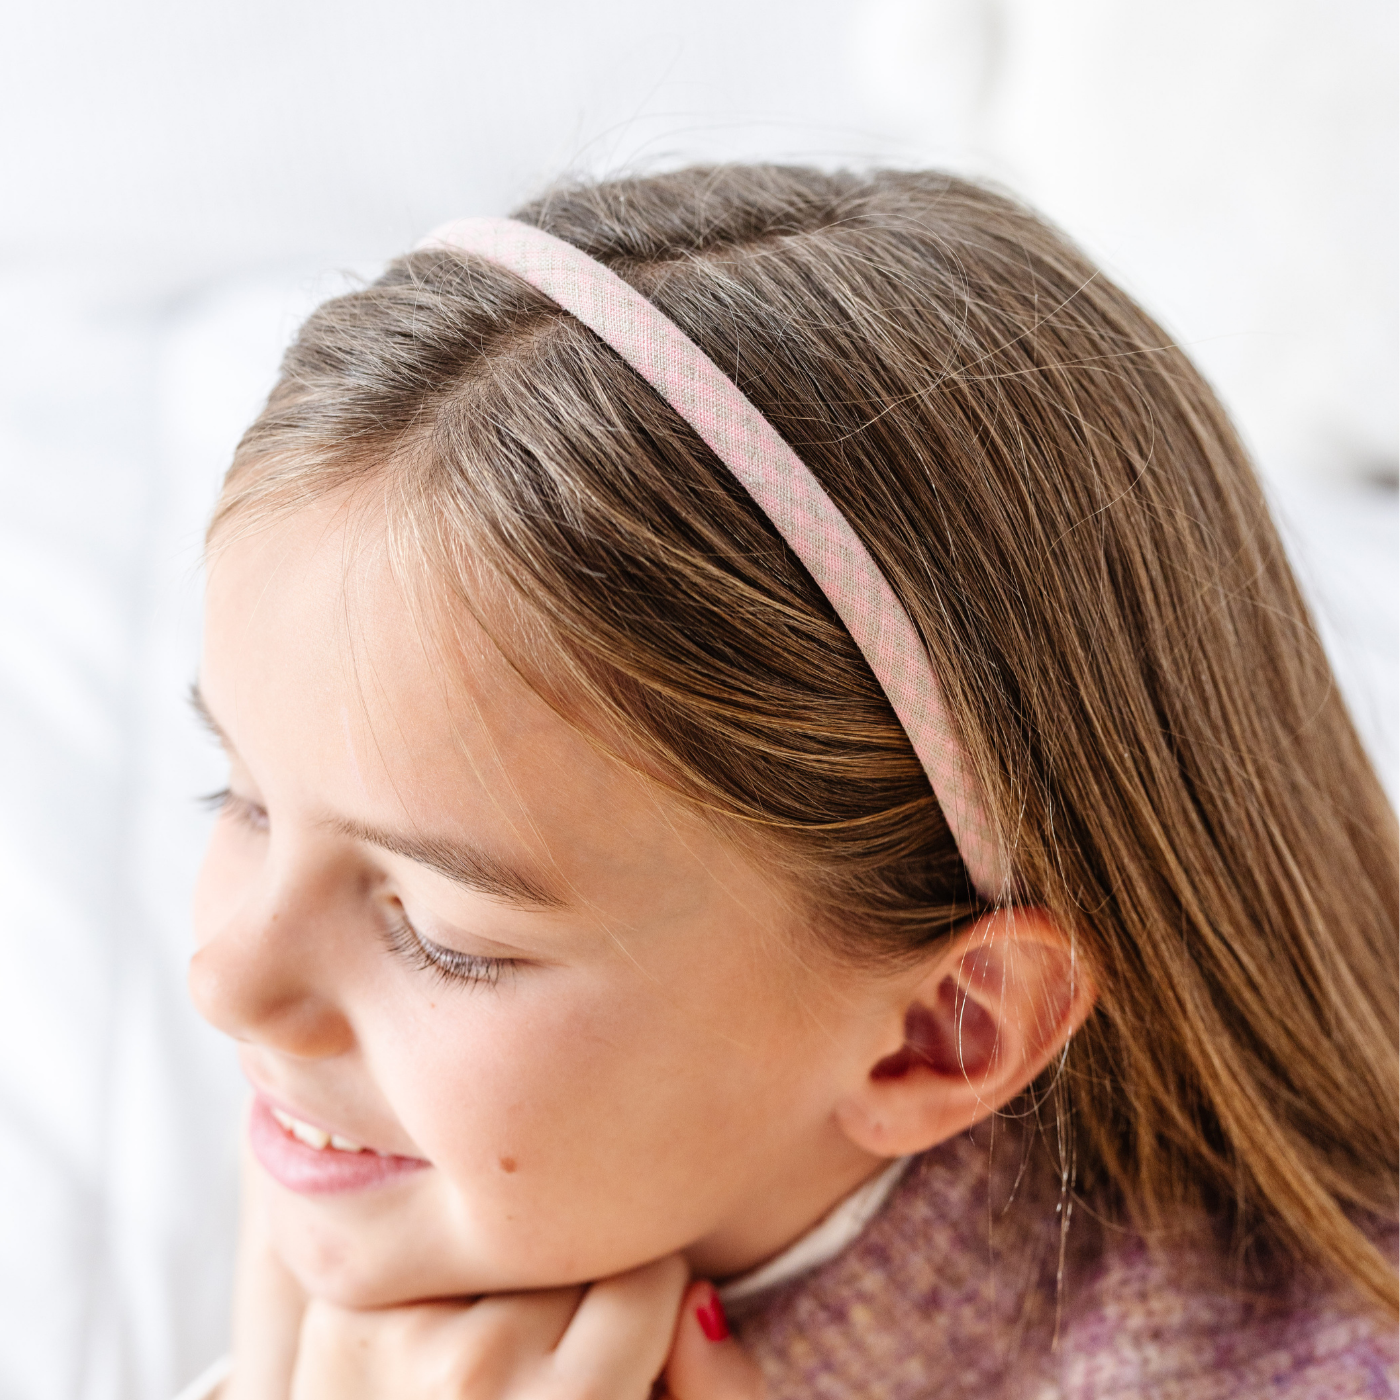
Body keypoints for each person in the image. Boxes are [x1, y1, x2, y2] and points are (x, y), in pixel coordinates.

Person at [177, 166, 1398, 1399]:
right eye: (243, 799)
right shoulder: (434, 1171)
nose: (227, 978)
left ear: (942, 1032)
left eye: (443, 934)